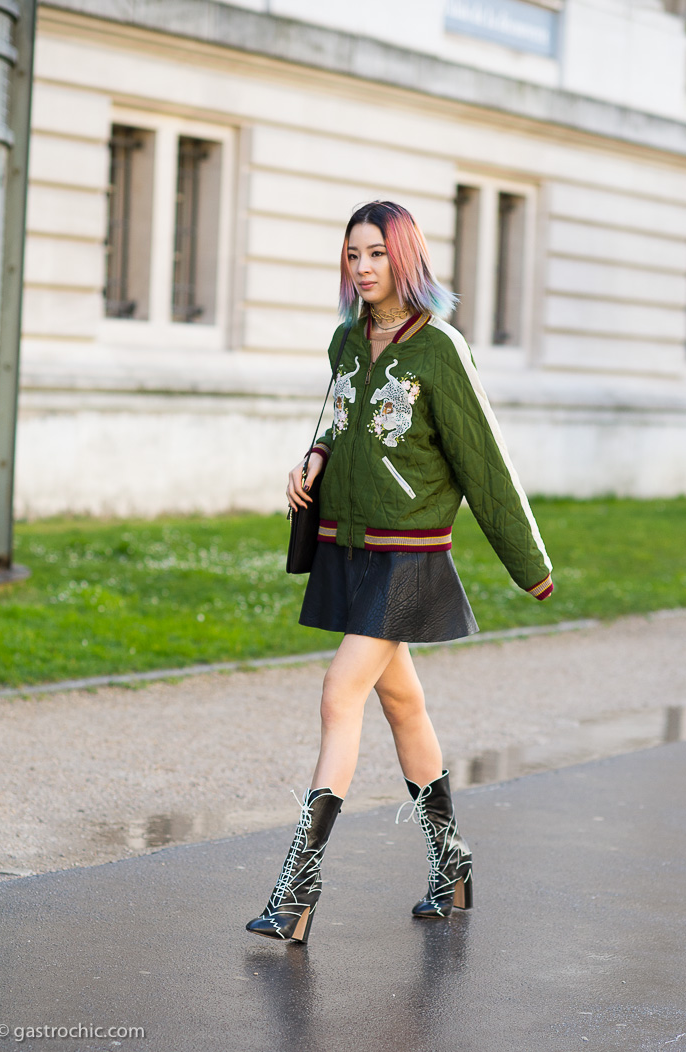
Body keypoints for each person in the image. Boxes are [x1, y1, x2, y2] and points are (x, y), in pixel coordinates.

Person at [246, 200, 553, 944]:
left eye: (376, 253)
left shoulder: (440, 349)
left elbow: (485, 461)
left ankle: (297, 891)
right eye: (352, 254)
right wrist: (313, 456)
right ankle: (452, 863)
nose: (362, 267)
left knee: (338, 690)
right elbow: (341, 416)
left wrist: (530, 566)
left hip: (410, 555)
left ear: (405, 256)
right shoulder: (347, 340)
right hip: (350, 547)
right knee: (404, 707)